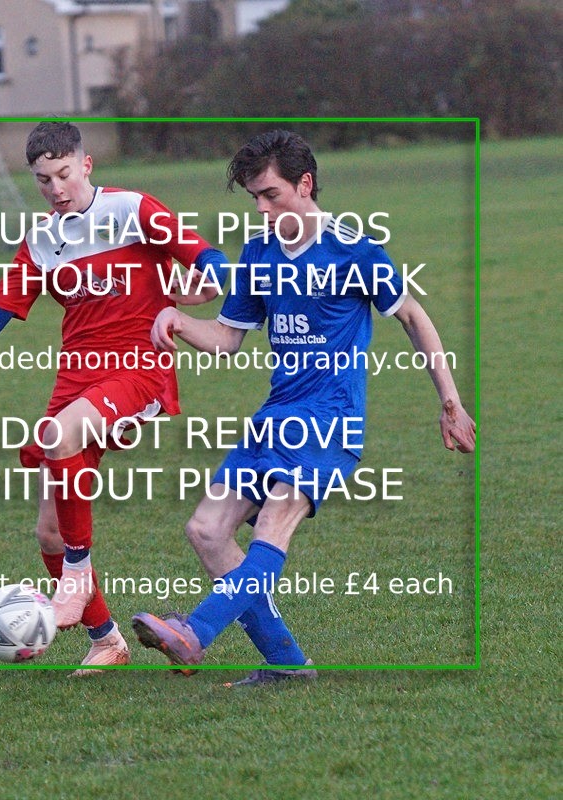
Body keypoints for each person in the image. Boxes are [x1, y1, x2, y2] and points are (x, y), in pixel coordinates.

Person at [132, 129, 476, 685]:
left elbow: (413, 316)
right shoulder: (260, 252)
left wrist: (450, 401)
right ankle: (287, 664)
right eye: (254, 199)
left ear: (305, 183)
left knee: (273, 521)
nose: (263, 209)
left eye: (270, 195)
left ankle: (195, 632)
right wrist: (176, 319)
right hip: (275, 417)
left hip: (331, 419)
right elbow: (226, 337)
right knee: (206, 531)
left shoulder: (353, 249)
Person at [0, 121, 227, 675]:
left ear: (86, 165)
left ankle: (76, 574)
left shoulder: (134, 210)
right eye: (44, 180)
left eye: (64, 173)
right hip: (75, 381)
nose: (56, 188)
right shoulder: (41, 239)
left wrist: (213, 286)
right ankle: (105, 638)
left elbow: (206, 257)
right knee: (48, 530)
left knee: (59, 440)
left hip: (137, 370)